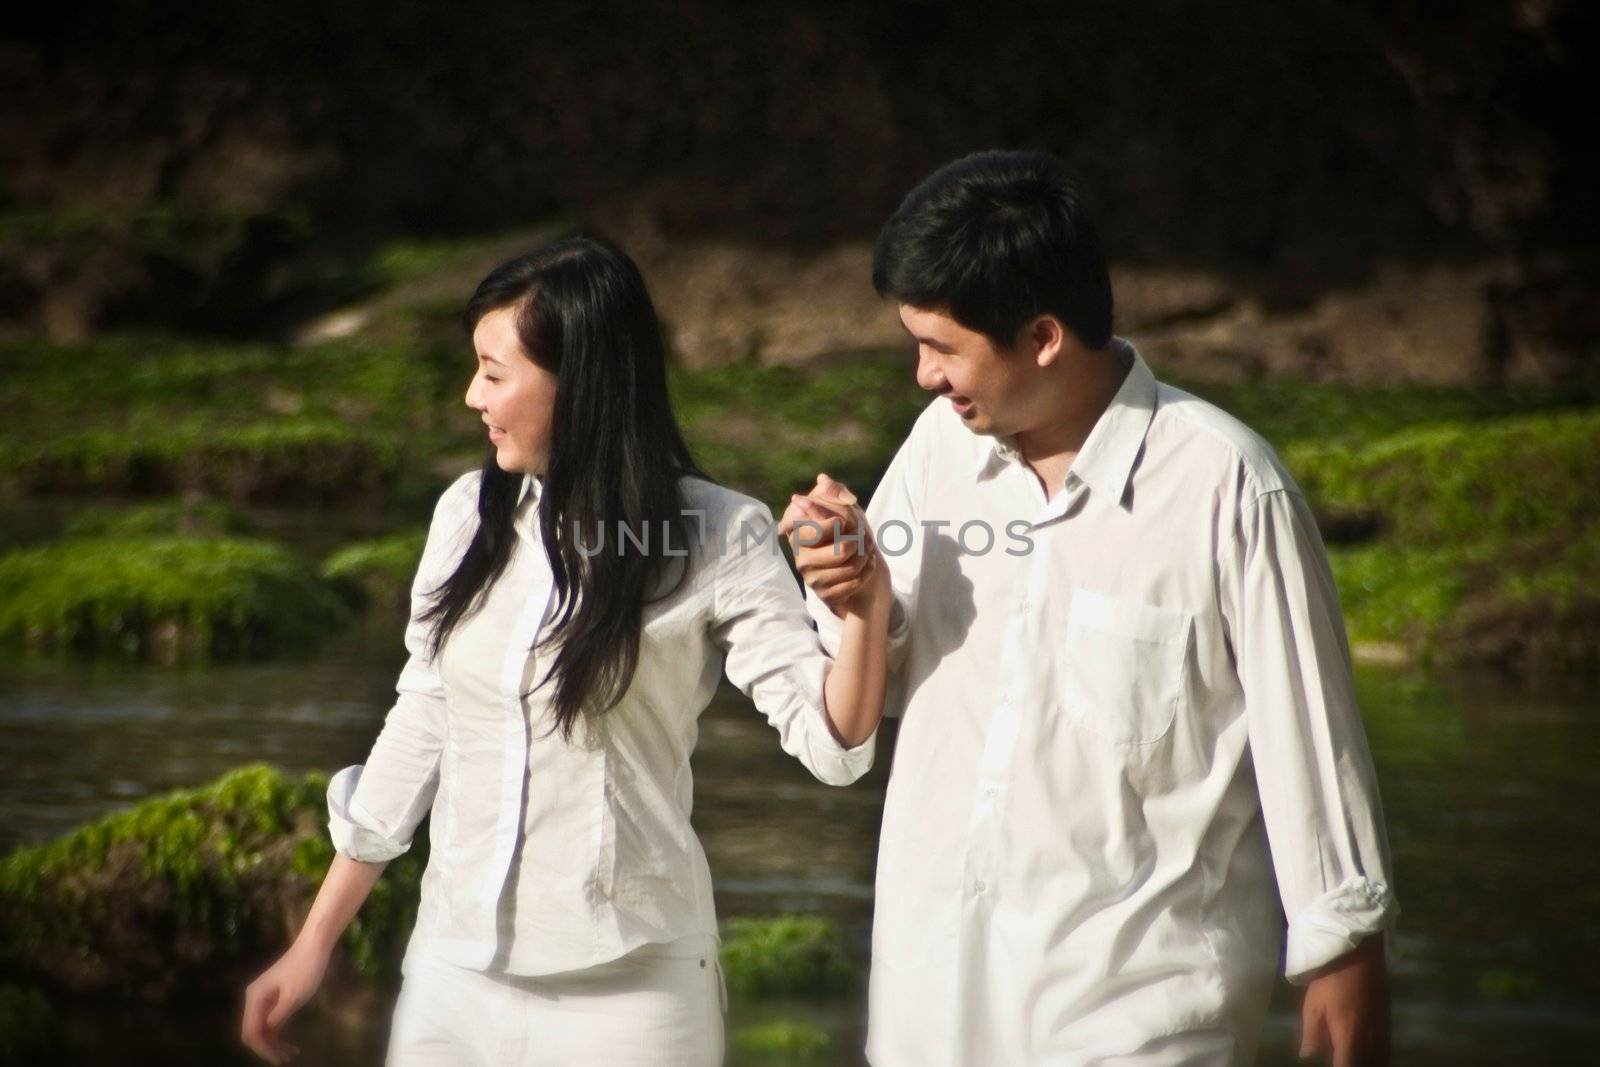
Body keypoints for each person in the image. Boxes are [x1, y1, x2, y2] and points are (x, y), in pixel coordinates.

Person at [784, 151, 1398, 1065]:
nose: (921, 377)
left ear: (1041, 337)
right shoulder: (936, 453)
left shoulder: (1226, 486)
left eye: (943, 348)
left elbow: (1307, 731)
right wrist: (853, 581)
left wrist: (1344, 949)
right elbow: (872, 681)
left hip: (1139, 1013)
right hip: (932, 1004)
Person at [240, 235, 892, 1066]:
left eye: (494, 371)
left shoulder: (720, 531)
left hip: (635, 992)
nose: (472, 395)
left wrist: (861, 606)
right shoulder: (466, 512)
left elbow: (834, 749)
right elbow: (423, 721)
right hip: (452, 973)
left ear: (579, 381)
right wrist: (313, 943)